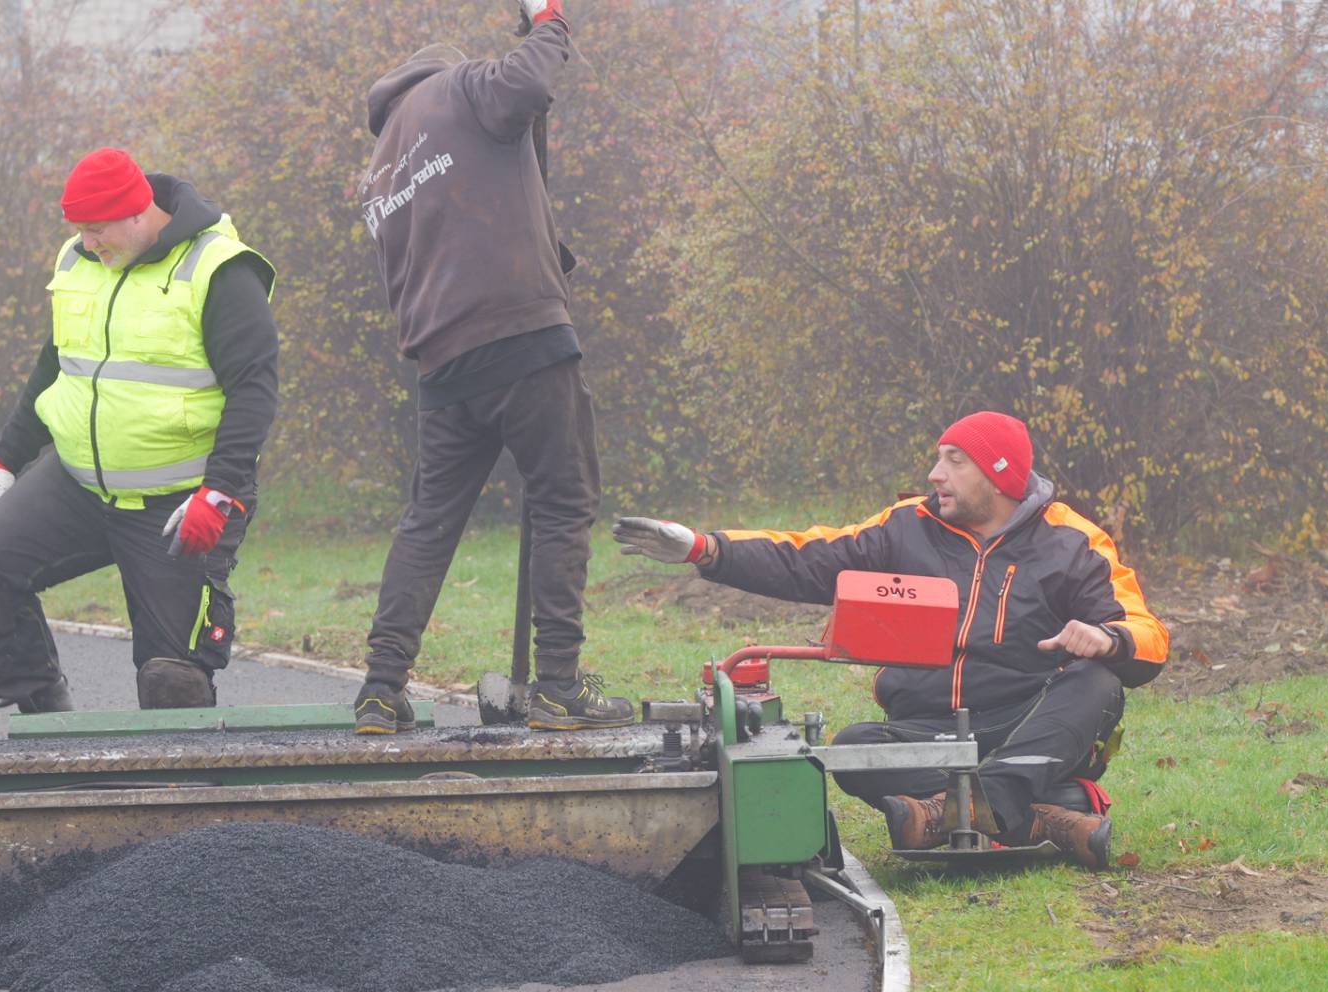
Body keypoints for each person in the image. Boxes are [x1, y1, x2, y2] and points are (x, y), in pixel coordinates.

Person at [614, 412, 1167, 869]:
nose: (934, 474)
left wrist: (1109, 638)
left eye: (954, 460)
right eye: (938, 458)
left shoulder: (1074, 541)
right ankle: (1037, 816)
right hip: (926, 731)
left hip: (1026, 724)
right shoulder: (905, 527)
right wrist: (705, 548)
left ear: (998, 475)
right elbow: (807, 556)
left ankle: (951, 812)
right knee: (853, 743)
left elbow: (1149, 635)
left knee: (1098, 680)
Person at [349, 0, 633, 735]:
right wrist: (549, 22)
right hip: (522, 335)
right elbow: (529, 87)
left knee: (430, 522)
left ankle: (380, 689)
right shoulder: (463, 86)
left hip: (441, 364)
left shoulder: (381, 166)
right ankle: (560, 688)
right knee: (564, 502)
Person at [0, 147, 278, 713]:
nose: (87, 243)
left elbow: (255, 390)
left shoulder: (220, 269)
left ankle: (177, 797)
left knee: (172, 682)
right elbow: (55, 365)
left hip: (178, 502)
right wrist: (6, 456)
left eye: (97, 231)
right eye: (79, 230)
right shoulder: (80, 261)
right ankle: (46, 722)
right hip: (78, 486)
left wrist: (218, 491)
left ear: (139, 212)